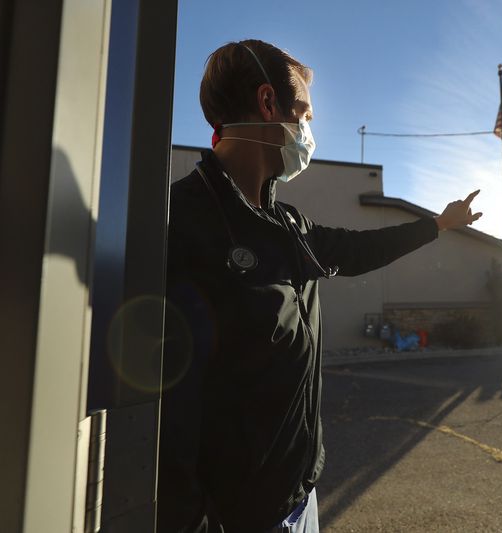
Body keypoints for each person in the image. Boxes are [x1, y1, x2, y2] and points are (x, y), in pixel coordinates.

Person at [158, 39, 484, 533]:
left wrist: (437, 225)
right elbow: (165, 409)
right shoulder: (180, 224)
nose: (308, 131)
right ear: (268, 103)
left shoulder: (285, 224)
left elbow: (355, 251)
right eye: (303, 114)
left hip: (299, 497)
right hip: (240, 518)